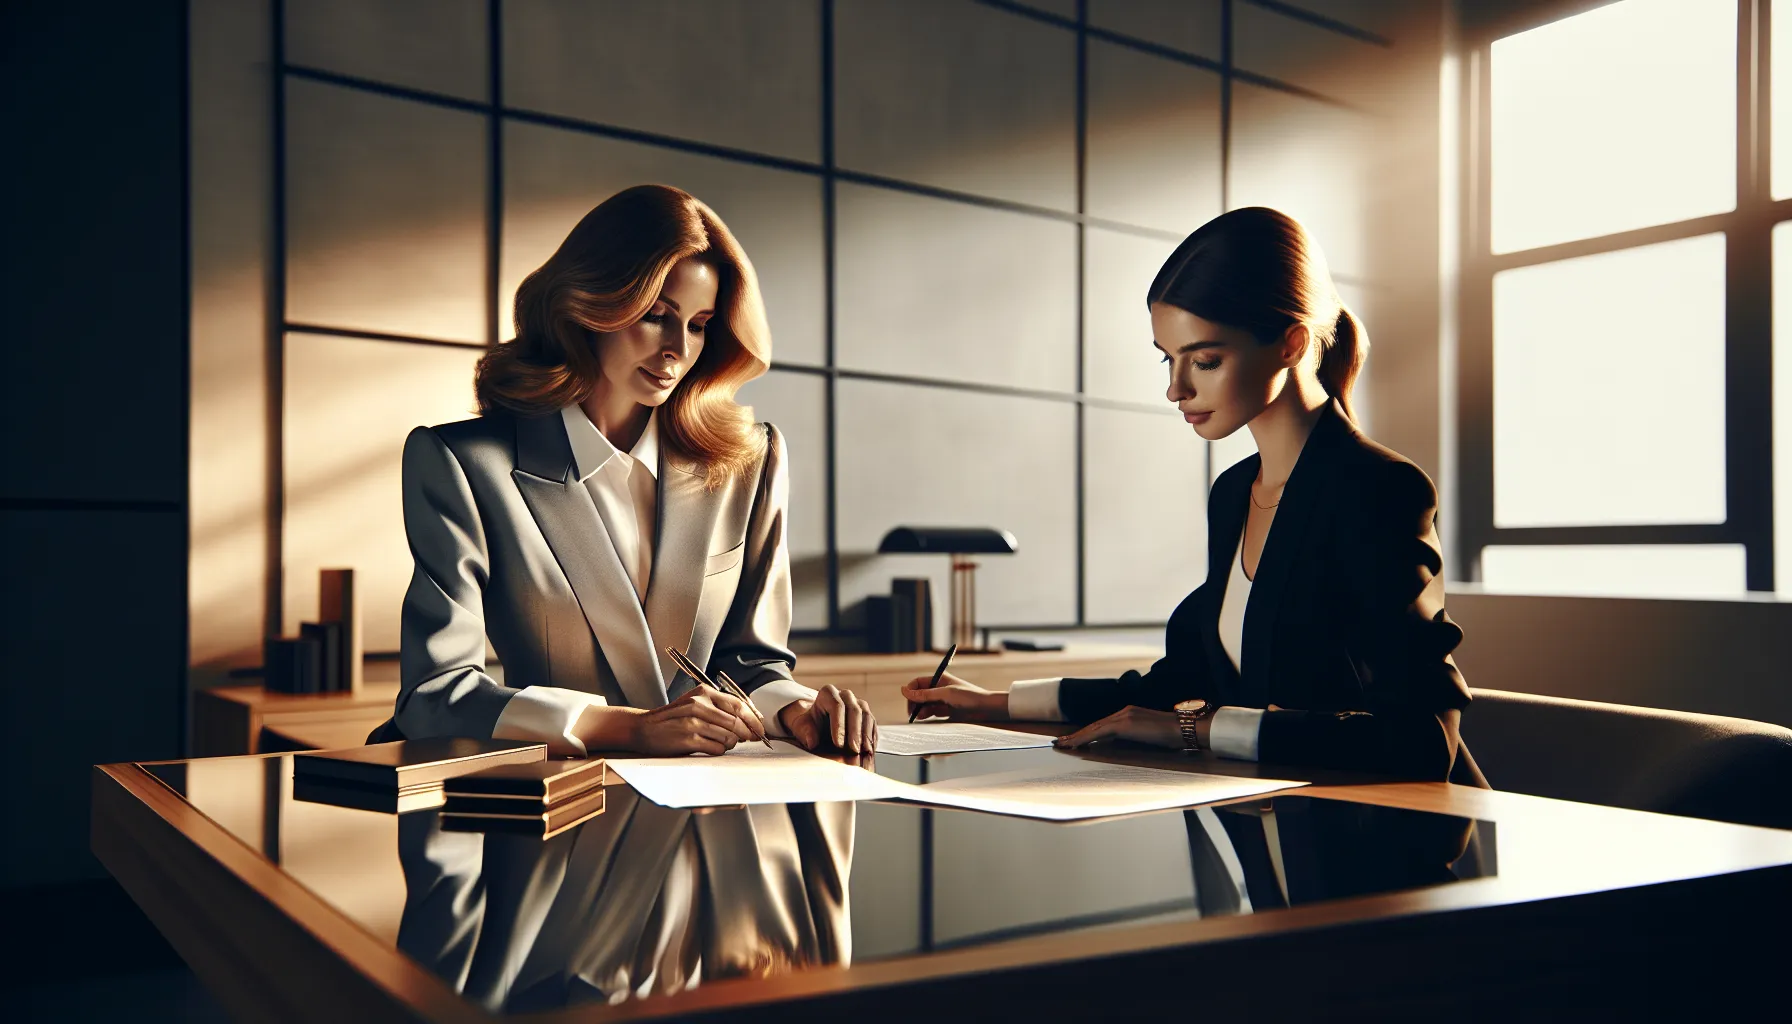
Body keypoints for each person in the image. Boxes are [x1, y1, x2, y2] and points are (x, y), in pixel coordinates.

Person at [903, 207, 1481, 784]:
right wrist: (992, 702)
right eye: (1168, 358)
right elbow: (1181, 681)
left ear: (1290, 343)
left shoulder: (1378, 489)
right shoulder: (1234, 494)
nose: (1175, 388)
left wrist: (1195, 730)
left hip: (1390, 840)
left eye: (1205, 360)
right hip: (1277, 833)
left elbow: (1423, 739)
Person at [373, 184, 876, 757]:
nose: (677, 351)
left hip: (706, 810)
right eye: (657, 317)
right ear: (590, 305)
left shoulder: (749, 462)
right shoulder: (465, 465)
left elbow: (751, 661)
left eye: (698, 324)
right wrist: (627, 728)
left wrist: (795, 707)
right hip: (556, 815)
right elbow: (436, 694)